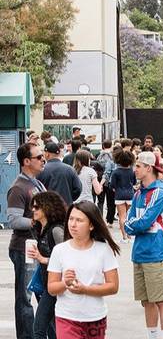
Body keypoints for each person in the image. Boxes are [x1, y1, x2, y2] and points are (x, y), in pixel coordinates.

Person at [47, 201, 120, 339]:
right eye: (71, 219)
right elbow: (51, 288)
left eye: (79, 220)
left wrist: (85, 290)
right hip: (66, 317)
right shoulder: (59, 250)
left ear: (91, 225)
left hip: (95, 318)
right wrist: (65, 283)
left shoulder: (103, 250)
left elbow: (113, 286)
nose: (73, 224)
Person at [124, 152, 163, 339]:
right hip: (140, 252)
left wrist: (133, 226)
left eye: (138, 165)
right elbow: (130, 223)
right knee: (147, 301)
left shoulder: (160, 193)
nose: (135, 169)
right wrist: (134, 225)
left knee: (160, 298)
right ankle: (152, 335)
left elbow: (140, 222)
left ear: (148, 168)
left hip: (155, 253)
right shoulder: (139, 193)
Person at [7, 143, 46, 339]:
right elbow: (13, 220)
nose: (43, 160)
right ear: (26, 161)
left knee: (42, 294)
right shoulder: (19, 187)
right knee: (25, 297)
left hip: (37, 247)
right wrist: (35, 220)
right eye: (39, 157)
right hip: (24, 248)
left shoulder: (37, 183)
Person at [27, 191, 66, 339]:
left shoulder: (56, 230)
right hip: (47, 283)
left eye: (37, 207)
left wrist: (42, 259)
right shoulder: (40, 228)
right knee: (52, 327)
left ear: (47, 208)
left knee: (39, 327)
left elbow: (67, 259)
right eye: (33, 207)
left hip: (55, 285)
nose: (33, 210)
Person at [37, 142, 82, 206]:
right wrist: (69, 198)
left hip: (47, 208)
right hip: (66, 207)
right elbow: (78, 188)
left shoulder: (41, 170)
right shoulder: (70, 169)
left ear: (47, 154)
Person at [110, 148, 136, 243]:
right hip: (130, 194)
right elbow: (134, 182)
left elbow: (112, 185)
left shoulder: (116, 172)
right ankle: (130, 235)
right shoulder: (131, 171)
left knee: (122, 216)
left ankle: (124, 237)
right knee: (130, 216)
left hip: (119, 195)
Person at [96, 139, 114, 218]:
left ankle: (100, 217)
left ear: (103, 146)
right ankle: (109, 218)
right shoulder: (113, 156)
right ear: (111, 145)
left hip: (99, 178)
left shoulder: (98, 155)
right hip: (109, 180)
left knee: (100, 201)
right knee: (110, 201)